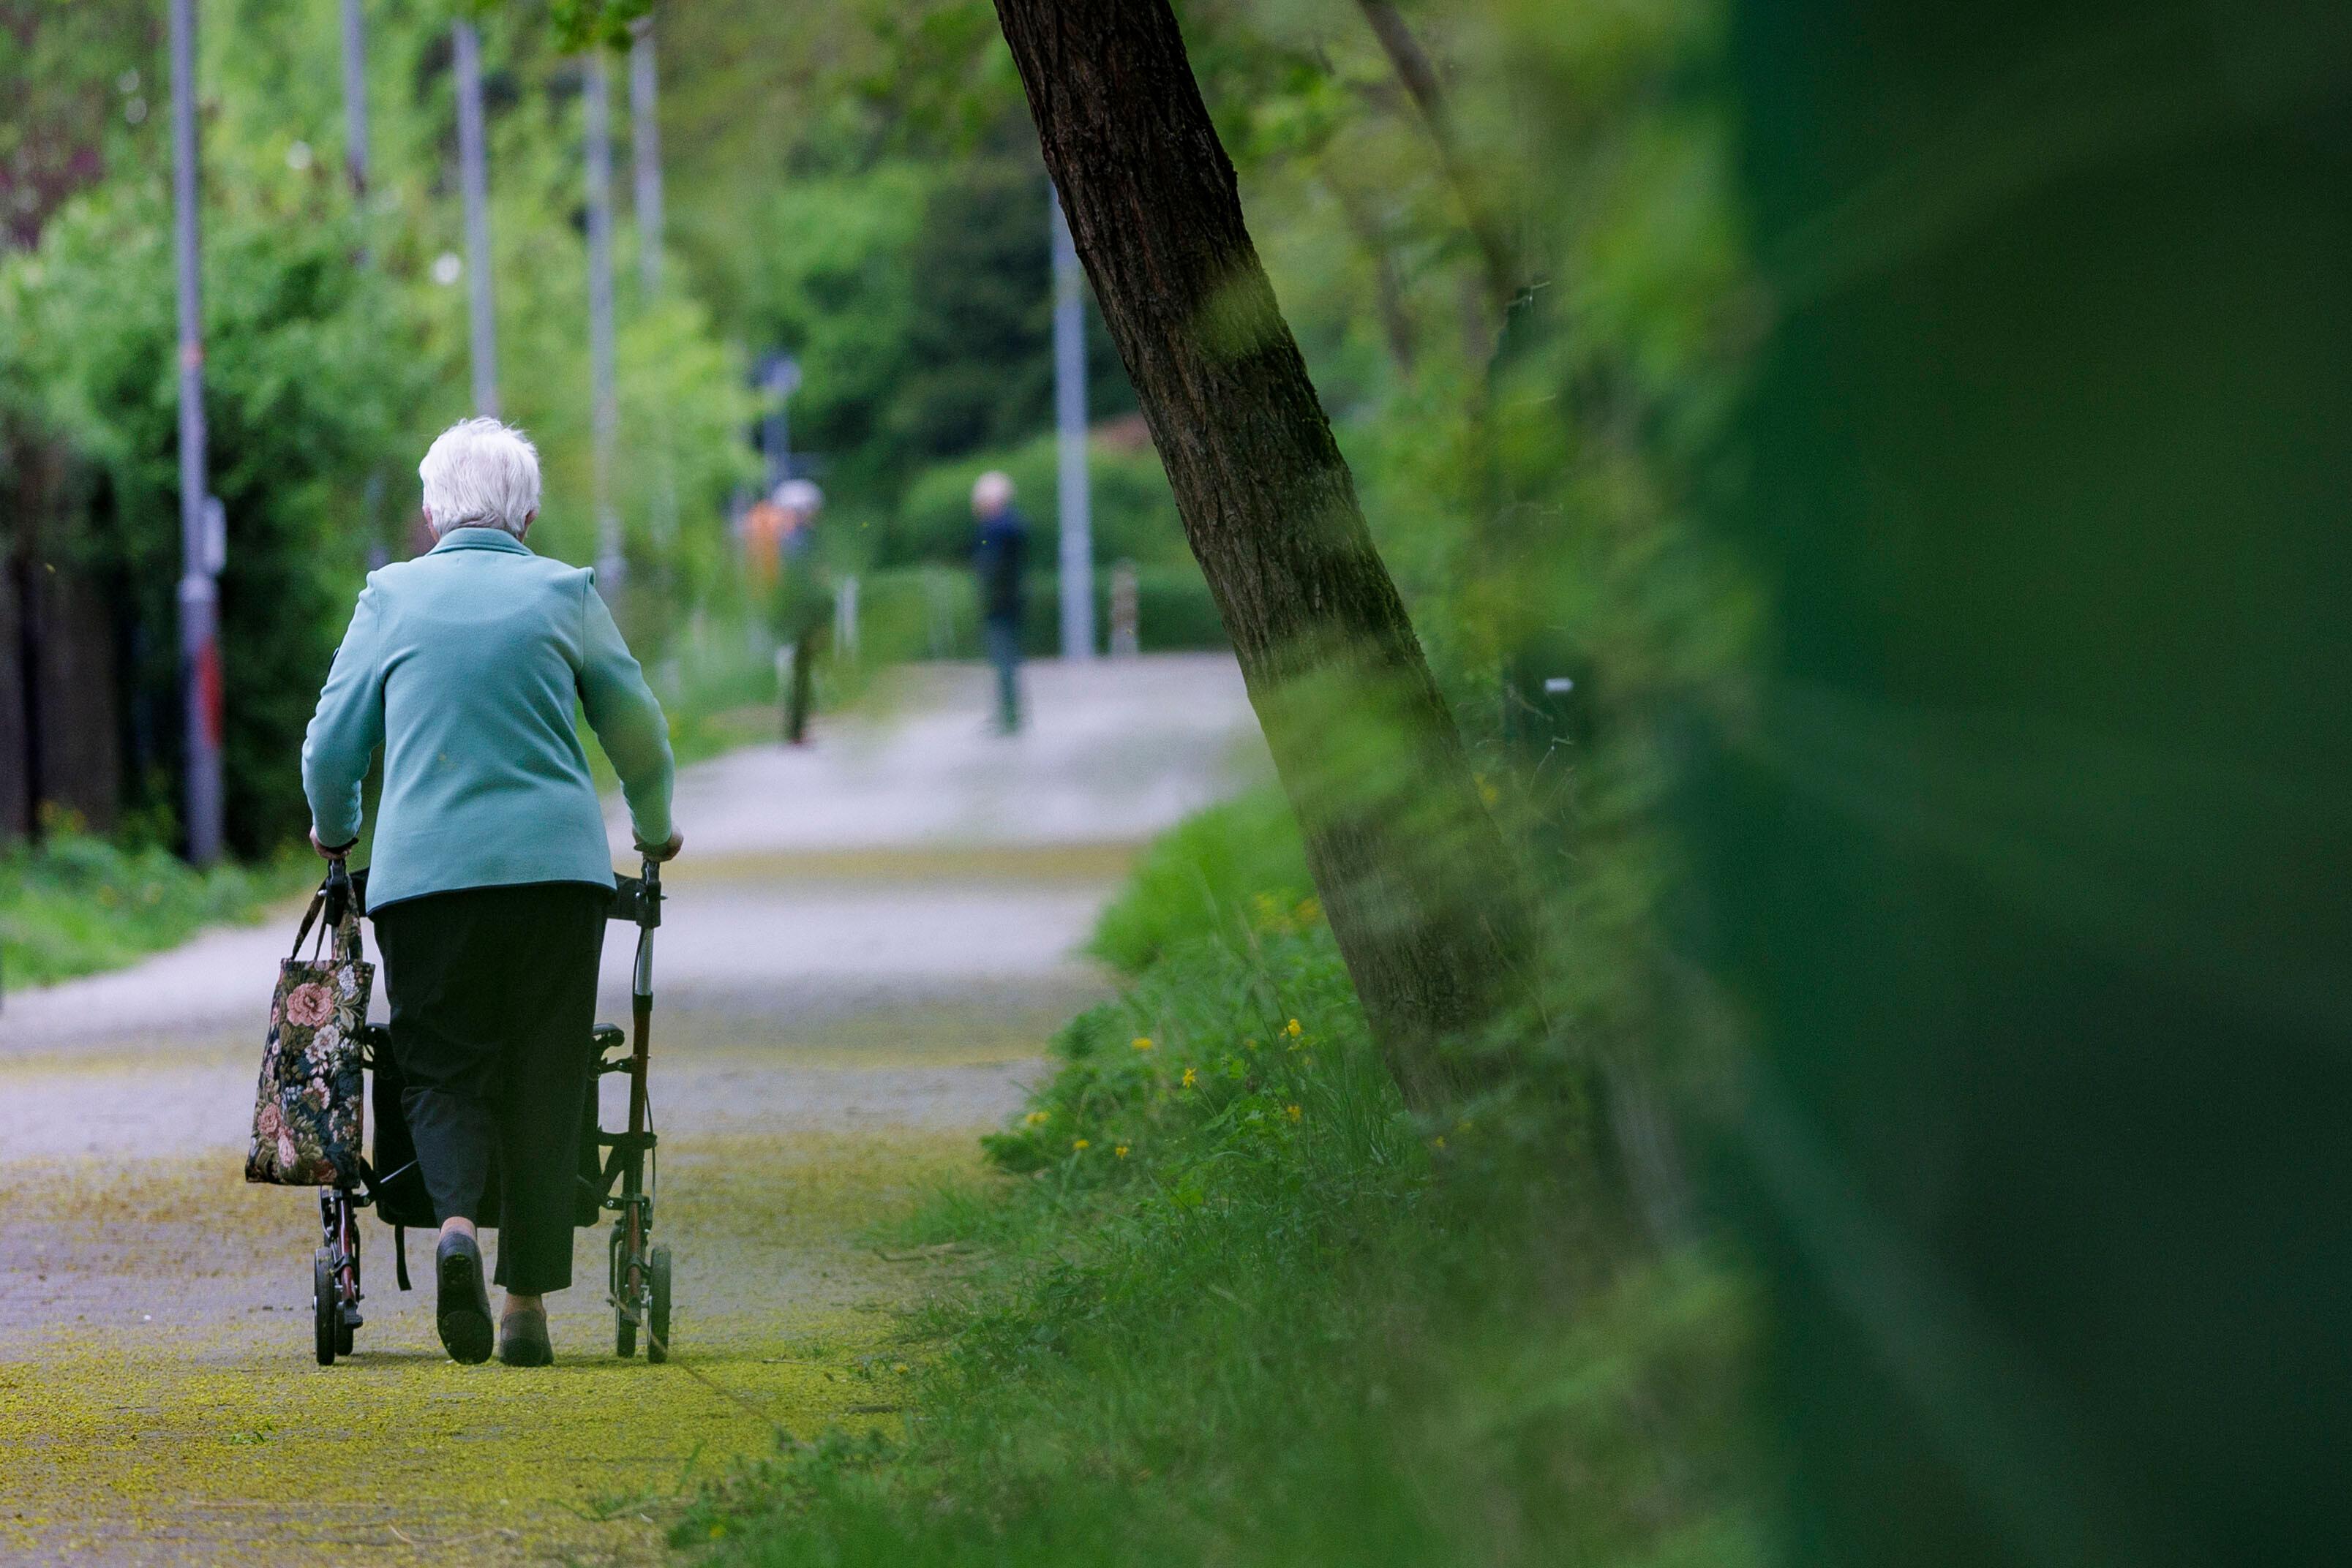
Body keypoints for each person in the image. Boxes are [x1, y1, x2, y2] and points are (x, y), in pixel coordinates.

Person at [301, 418, 680, 1368]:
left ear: (431, 512)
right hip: (555, 876)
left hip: (424, 878)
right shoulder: (564, 592)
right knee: (548, 1065)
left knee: (439, 1061)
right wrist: (652, 826)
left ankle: (458, 1227)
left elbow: (331, 746)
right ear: (529, 512)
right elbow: (636, 728)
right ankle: (523, 1309)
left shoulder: (389, 597)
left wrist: (337, 830)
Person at [769, 479, 829, 745]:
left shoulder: (786, 541)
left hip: (791, 615)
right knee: (799, 671)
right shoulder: (800, 541)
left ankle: (796, 727)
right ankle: (797, 729)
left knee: (796, 670)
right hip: (799, 616)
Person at [971, 470, 1027, 734]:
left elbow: (989, 565)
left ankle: (1009, 716)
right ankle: (1008, 713)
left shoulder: (999, 527)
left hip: (1001, 603)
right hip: (1006, 601)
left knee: (1004, 660)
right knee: (1005, 660)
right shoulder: (1006, 526)